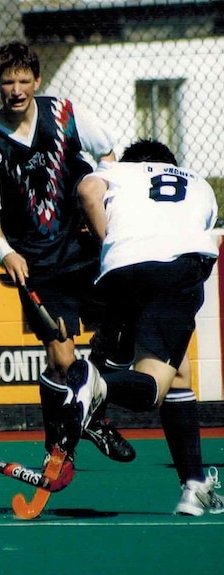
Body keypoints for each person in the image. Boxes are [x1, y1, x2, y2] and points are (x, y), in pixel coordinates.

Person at [0, 41, 135, 465]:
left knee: (121, 328)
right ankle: (62, 444)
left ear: (37, 81)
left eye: (24, 80)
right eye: (8, 81)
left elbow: (108, 152)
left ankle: (89, 413)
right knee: (61, 355)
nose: (16, 89)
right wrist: (5, 250)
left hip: (84, 248)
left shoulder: (64, 112)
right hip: (36, 261)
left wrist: (98, 198)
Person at [65, 139, 222, 515]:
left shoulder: (117, 171)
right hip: (177, 270)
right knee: (153, 386)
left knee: (178, 374)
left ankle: (195, 485)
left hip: (120, 270)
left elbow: (88, 189)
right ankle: (96, 386)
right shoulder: (200, 183)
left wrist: (108, 243)